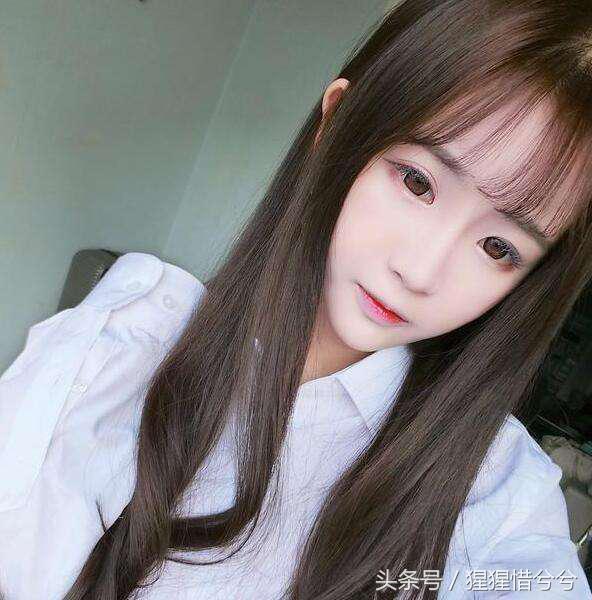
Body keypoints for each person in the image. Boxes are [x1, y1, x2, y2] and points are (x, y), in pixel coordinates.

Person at [1, 0, 592, 598]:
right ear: (335, 122)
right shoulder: (131, 344)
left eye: (497, 247)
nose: (419, 271)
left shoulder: (495, 496)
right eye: (418, 183)